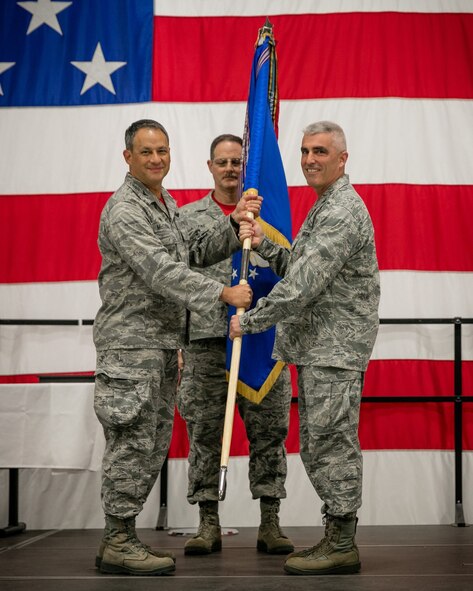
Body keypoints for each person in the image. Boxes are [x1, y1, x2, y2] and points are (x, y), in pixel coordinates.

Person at [93, 119, 260, 576]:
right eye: (146, 152)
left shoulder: (162, 203)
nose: (156, 159)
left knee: (150, 445)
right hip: (131, 347)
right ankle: (117, 540)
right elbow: (161, 270)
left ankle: (121, 539)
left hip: (162, 345)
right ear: (128, 157)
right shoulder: (126, 210)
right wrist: (219, 295)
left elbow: (192, 251)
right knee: (131, 442)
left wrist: (234, 225)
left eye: (162, 151)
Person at [230, 121, 380, 576]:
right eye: (304, 151)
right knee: (318, 444)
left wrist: (250, 322)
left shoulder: (341, 211)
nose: (310, 159)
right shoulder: (326, 205)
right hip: (319, 347)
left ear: (342, 159)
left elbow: (302, 286)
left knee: (331, 444)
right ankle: (335, 536)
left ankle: (342, 543)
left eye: (320, 151)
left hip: (333, 349)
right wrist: (266, 249)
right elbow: (302, 265)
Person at [177, 134, 294, 556]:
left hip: (262, 343)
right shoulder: (188, 218)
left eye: (236, 163)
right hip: (208, 344)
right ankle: (208, 522)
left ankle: (270, 522)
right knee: (205, 434)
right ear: (209, 166)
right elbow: (175, 277)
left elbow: (293, 270)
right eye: (222, 162)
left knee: (269, 434)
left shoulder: (272, 217)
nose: (229, 169)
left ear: (246, 169)